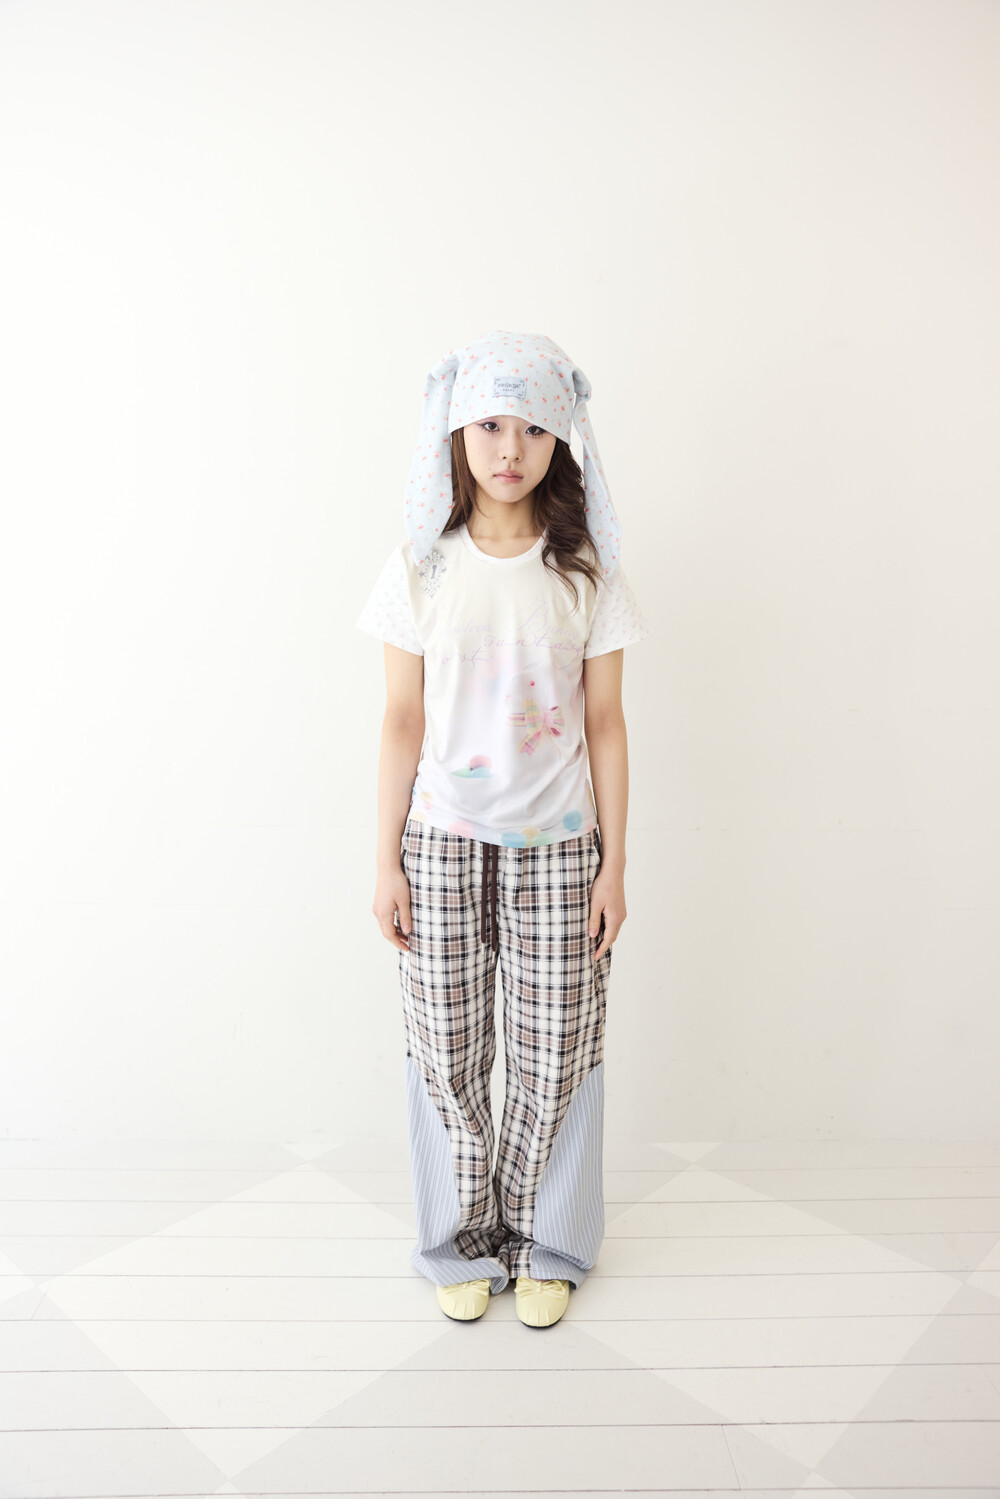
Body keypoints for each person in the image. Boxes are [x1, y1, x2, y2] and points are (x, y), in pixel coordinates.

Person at [355, 330, 651, 1329]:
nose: (509, 448)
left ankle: (547, 1243)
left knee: (556, 1048)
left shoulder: (587, 574)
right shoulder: (420, 568)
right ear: (457, 432)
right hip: (440, 842)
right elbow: (401, 720)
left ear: (561, 436)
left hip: (561, 848)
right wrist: (384, 860)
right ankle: (458, 1242)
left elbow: (606, 723)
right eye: (488, 425)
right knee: (445, 1047)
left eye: (531, 427)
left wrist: (615, 863)